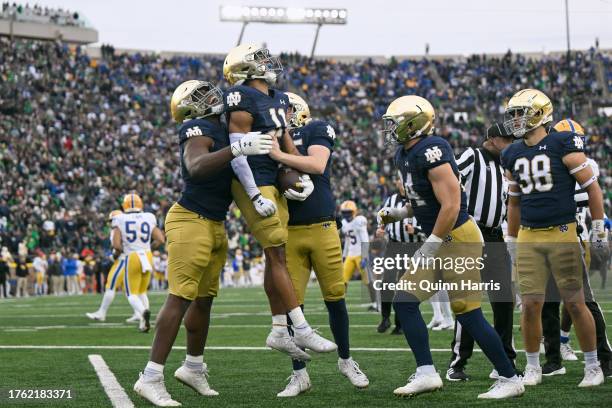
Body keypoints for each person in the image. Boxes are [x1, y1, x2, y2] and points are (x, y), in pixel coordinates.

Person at [134, 80, 274, 406]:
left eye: (209, 92)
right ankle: (150, 377)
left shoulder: (222, 127)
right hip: (190, 219)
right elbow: (195, 167)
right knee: (180, 297)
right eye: (201, 96)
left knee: (204, 300)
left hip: (214, 222)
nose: (212, 97)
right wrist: (237, 149)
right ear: (189, 108)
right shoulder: (197, 126)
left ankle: (193, 367)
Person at [378, 95, 523, 399]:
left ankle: (510, 378)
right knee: (404, 300)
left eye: (395, 123)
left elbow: (452, 203)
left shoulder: (432, 149)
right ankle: (426, 372)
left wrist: (430, 244)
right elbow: (423, 201)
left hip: (457, 238)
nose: (390, 129)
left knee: (467, 312)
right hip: (441, 237)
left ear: (413, 124)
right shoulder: (404, 155)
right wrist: (401, 213)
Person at [223, 43, 336, 359]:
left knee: (276, 257)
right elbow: (237, 151)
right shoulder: (240, 97)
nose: (268, 64)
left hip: (274, 179)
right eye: (260, 60)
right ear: (246, 68)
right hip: (254, 180)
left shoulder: (280, 98)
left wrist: (302, 175)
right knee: (277, 257)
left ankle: (277, 330)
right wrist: (255, 195)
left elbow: (286, 141)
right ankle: (300, 329)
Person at [502, 88, 605, 387]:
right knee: (531, 305)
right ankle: (533, 365)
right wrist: (511, 239)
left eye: (521, 112)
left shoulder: (562, 142)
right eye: (514, 114)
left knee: (575, 303)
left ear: (540, 113)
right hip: (529, 236)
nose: (516, 119)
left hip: (562, 232)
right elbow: (515, 202)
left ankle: (592, 365)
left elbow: (593, 188)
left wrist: (598, 229)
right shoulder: (511, 152)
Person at [268, 92, 369, 397]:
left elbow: (317, 163)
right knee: (291, 305)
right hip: (291, 231)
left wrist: (279, 155)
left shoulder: (316, 128)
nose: (279, 116)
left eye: (283, 111)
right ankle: (299, 374)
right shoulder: (268, 136)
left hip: (323, 225)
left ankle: (346, 360)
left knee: (335, 297)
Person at [539, 119, 612, 378]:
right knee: (548, 302)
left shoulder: (584, 165)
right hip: (544, 238)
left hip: (572, 237)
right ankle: (553, 357)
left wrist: (599, 234)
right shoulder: (547, 160)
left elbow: (591, 195)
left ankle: (604, 358)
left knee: (583, 301)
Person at [446, 123, 518, 381]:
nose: (512, 144)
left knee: (504, 300)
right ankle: (457, 362)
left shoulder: (505, 166)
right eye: (508, 139)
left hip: (496, 236)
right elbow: (449, 184)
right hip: (470, 235)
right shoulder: (471, 155)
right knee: (468, 299)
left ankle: (505, 361)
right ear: (492, 139)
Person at [375, 177, 426, 335]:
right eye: (398, 180)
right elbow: (383, 216)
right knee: (387, 282)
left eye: (403, 179)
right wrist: (380, 228)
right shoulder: (391, 199)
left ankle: (400, 323)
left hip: (412, 247)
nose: (401, 183)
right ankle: (385, 318)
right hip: (394, 245)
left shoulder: (421, 200)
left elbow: (429, 226)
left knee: (404, 285)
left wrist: (416, 231)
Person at [113, 192, 165, 333]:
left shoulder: (120, 218)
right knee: (142, 291)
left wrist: (117, 254)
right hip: (147, 256)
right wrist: (148, 247)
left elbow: (117, 245)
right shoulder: (149, 217)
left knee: (131, 293)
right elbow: (160, 239)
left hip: (132, 256)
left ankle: (142, 312)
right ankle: (144, 322)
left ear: (125, 205)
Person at [86, 210, 129, 322]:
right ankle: (141, 313)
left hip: (123, 260)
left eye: (111, 220)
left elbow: (118, 247)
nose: (109, 223)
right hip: (133, 259)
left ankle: (102, 313)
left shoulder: (118, 229)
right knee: (132, 291)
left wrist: (112, 257)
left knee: (110, 286)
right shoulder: (127, 227)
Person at [340, 200, 376, 309]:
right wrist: (344, 256)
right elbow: (347, 241)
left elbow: (365, 239)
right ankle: (340, 304)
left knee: (368, 281)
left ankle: (376, 304)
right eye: (344, 212)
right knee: (343, 280)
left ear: (354, 211)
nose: (346, 214)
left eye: (348, 212)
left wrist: (365, 256)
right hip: (350, 255)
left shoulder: (359, 221)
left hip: (361, 254)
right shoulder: (344, 223)